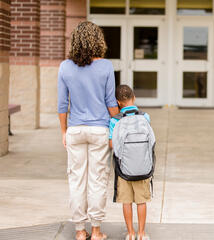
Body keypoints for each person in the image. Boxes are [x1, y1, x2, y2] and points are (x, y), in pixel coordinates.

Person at [57, 21, 119, 240]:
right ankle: (96, 231)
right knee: (97, 180)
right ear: (98, 40)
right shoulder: (106, 66)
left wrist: (64, 131)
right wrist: (120, 119)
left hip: (75, 130)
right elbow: (111, 103)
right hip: (99, 130)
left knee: (76, 180)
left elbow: (62, 105)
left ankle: (80, 231)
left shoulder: (65, 67)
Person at [109, 85, 151, 240]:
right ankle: (141, 233)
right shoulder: (145, 117)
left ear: (118, 102)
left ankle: (131, 233)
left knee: (126, 201)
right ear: (134, 98)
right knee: (142, 201)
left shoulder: (115, 120)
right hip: (142, 167)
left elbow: (112, 144)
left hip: (124, 169)